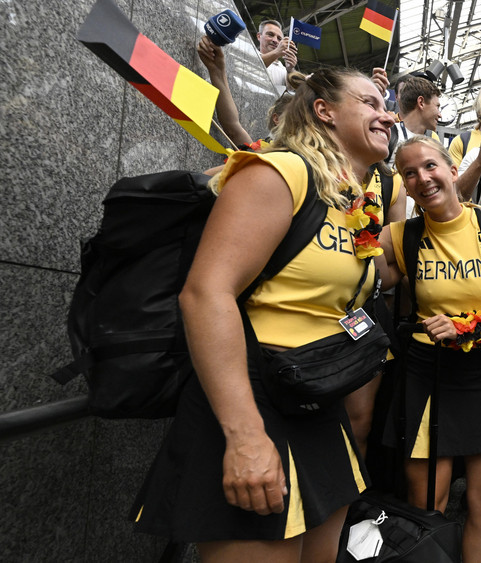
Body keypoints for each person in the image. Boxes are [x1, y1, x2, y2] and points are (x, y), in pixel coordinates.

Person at [130, 68, 396, 561]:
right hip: (255, 403)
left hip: (317, 402)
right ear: (325, 111)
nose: (388, 113)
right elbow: (206, 293)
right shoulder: (279, 171)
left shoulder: (346, 199)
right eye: (371, 101)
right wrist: (246, 436)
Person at [378, 136, 481, 563]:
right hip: (430, 376)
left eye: (430, 166)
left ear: (451, 168)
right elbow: (364, 276)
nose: (423, 178)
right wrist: (356, 220)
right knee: (428, 503)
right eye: (410, 173)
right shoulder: (399, 235)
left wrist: (470, 326)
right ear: (405, 187)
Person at [257, 20, 297, 92]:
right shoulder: (248, 53)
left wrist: (290, 70)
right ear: (259, 36)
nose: (275, 40)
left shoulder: (283, 70)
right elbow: (255, 64)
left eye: (279, 38)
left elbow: (290, 90)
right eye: (270, 34)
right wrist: (277, 52)